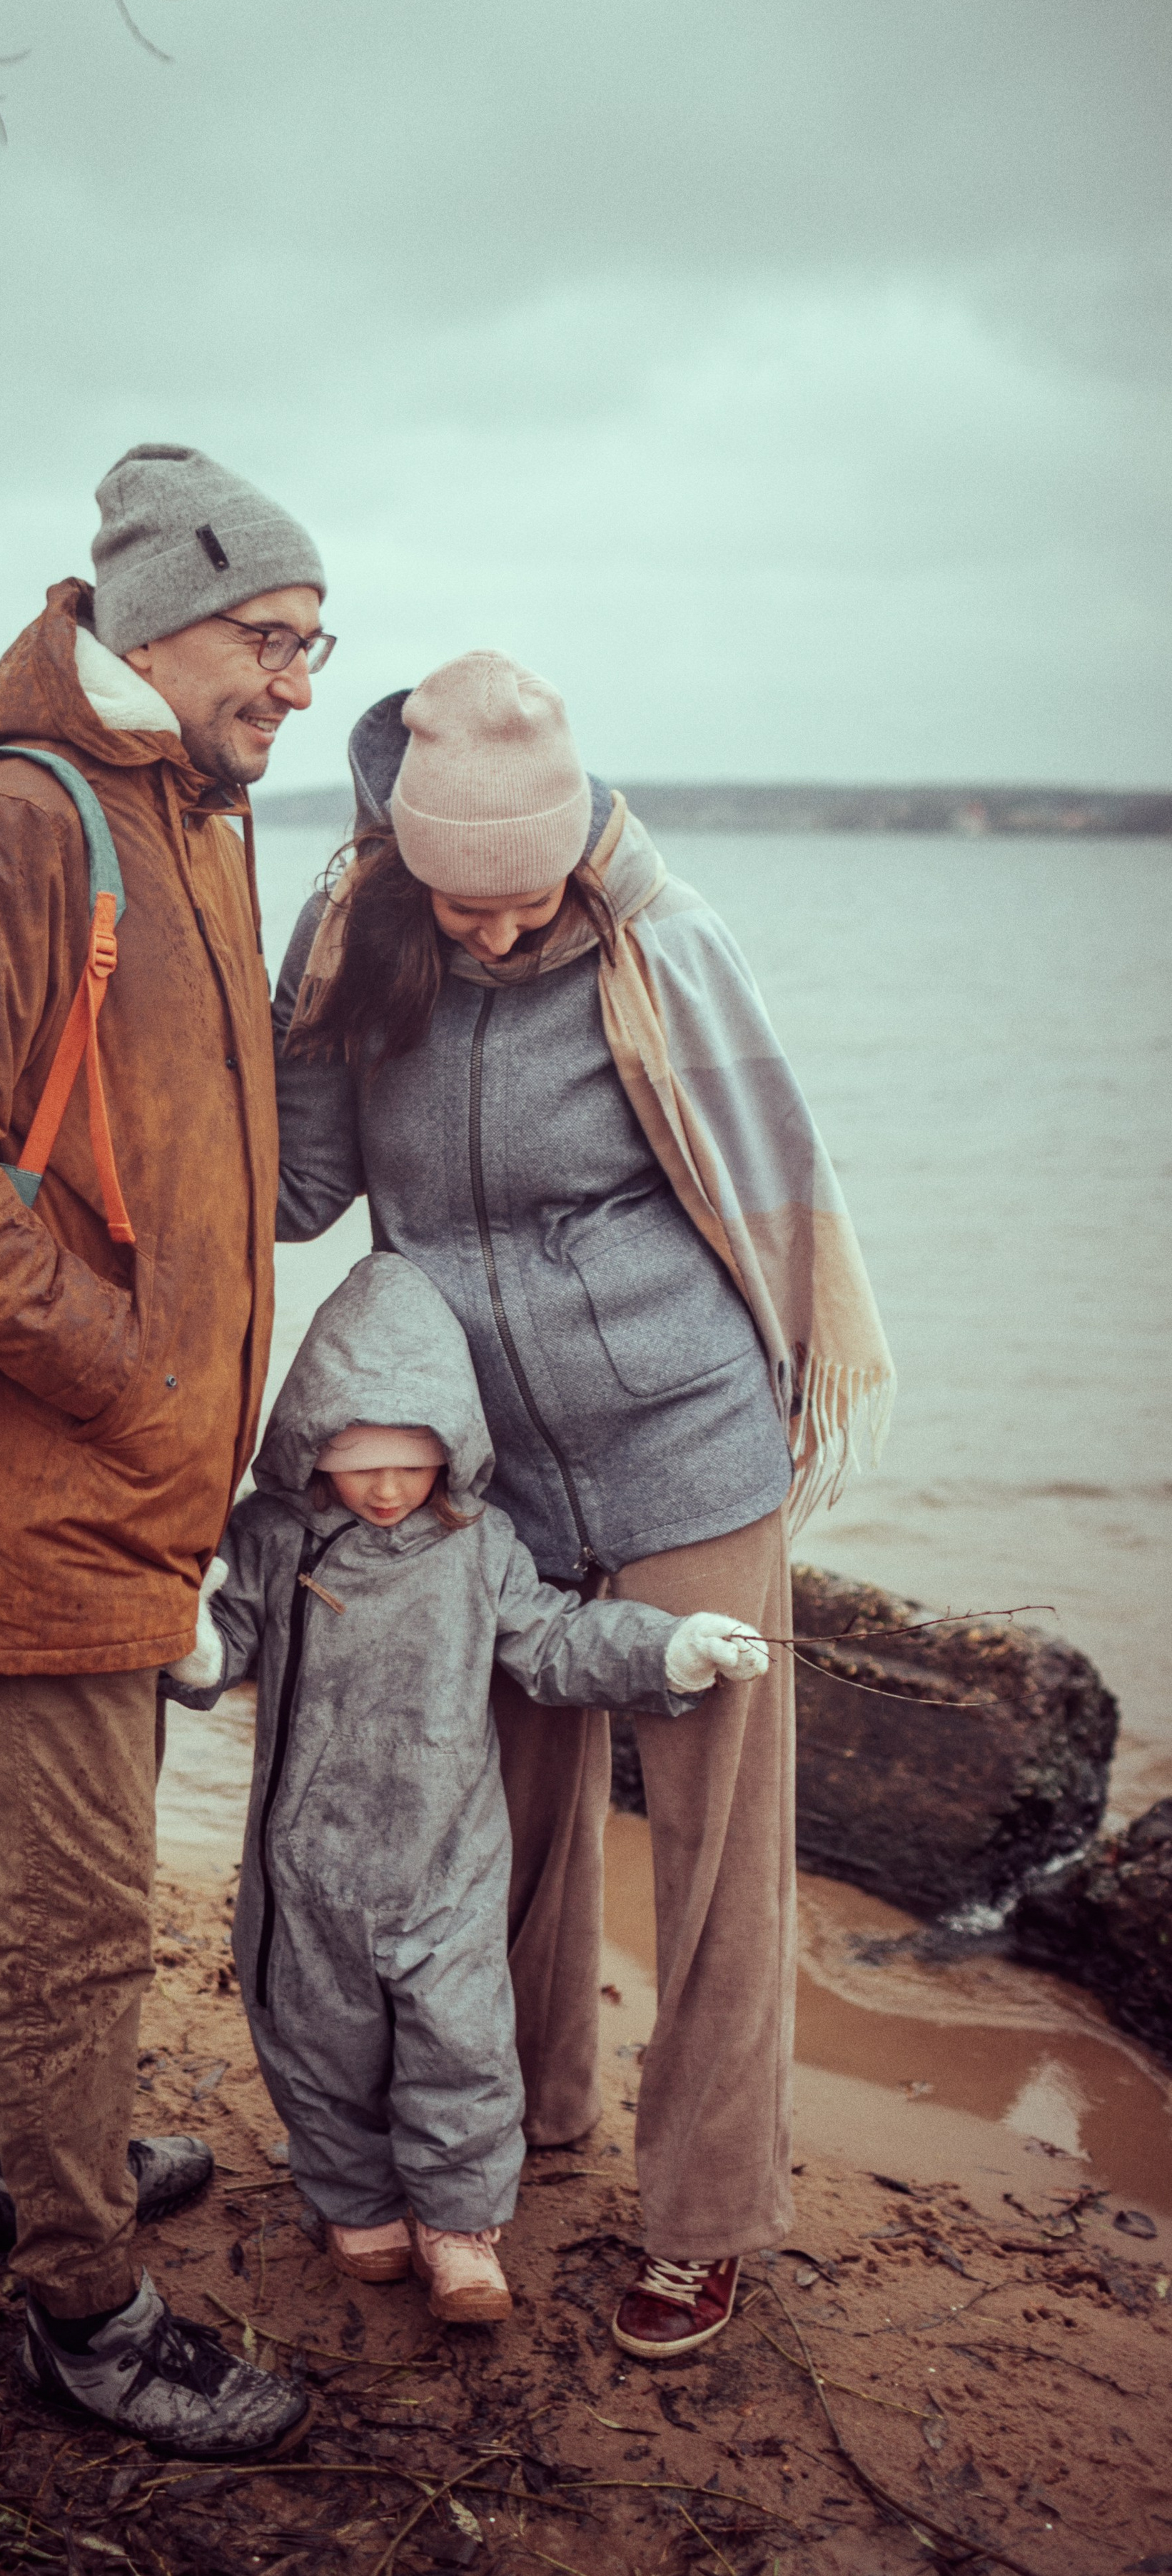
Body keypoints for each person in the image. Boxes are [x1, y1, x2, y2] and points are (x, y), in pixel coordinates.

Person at [271, 652, 893, 2362]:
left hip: (685, 1440)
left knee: (711, 1856)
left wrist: (769, 1418)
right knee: (500, 1835)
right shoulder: (363, 942)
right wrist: (293, 1017)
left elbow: (769, 1188)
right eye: (455, 901)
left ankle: (700, 2221)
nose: (489, 933)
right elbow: (300, 1190)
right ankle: (519, 2124)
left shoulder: (658, 947)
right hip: (487, 1472)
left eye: (521, 899)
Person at [0, 443, 334, 2454]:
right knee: (81, 1907)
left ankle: (35, 2158)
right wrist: (123, 1370)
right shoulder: (26, 823)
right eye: (274, 641)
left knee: (58, 1884)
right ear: (163, 619)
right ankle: (83, 2302)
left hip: (125, 1474)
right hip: (45, 1467)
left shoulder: (185, 812)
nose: (296, 683)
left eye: (317, 649)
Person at [164, 1252, 767, 2326]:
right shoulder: (272, 1539)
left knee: (464, 2042)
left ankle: (461, 2224)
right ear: (311, 1442)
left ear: (453, 1450)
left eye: (414, 1460)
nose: (390, 1488)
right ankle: (354, 2200)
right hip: (308, 1863)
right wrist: (194, 1639)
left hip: (448, 1858)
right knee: (316, 2035)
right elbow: (225, 1653)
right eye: (359, 1461)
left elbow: (554, 1643)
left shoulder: (477, 1545)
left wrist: (670, 1648)